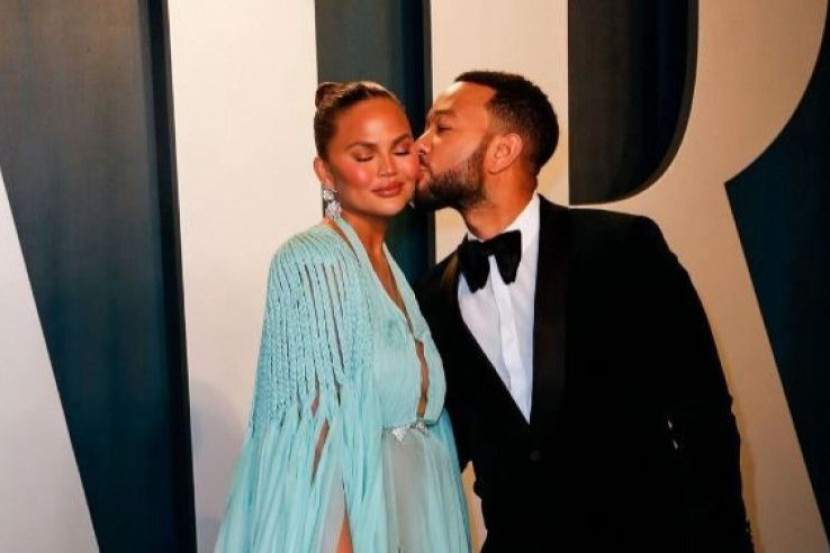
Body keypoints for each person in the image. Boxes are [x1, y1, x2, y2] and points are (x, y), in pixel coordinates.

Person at [414, 70, 753, 552]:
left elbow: (703, 414)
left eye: (442, 127)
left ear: (502, 150)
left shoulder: (624, 247)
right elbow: (444, 454)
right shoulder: (431, 297)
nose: (420, 144)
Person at [215, 81, 471, 553]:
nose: (388, 169)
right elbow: (314, 448)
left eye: (400, 150)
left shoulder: (392, 270)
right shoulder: (313, 260)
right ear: (325, 172)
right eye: (364, 155)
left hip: (419, 516)